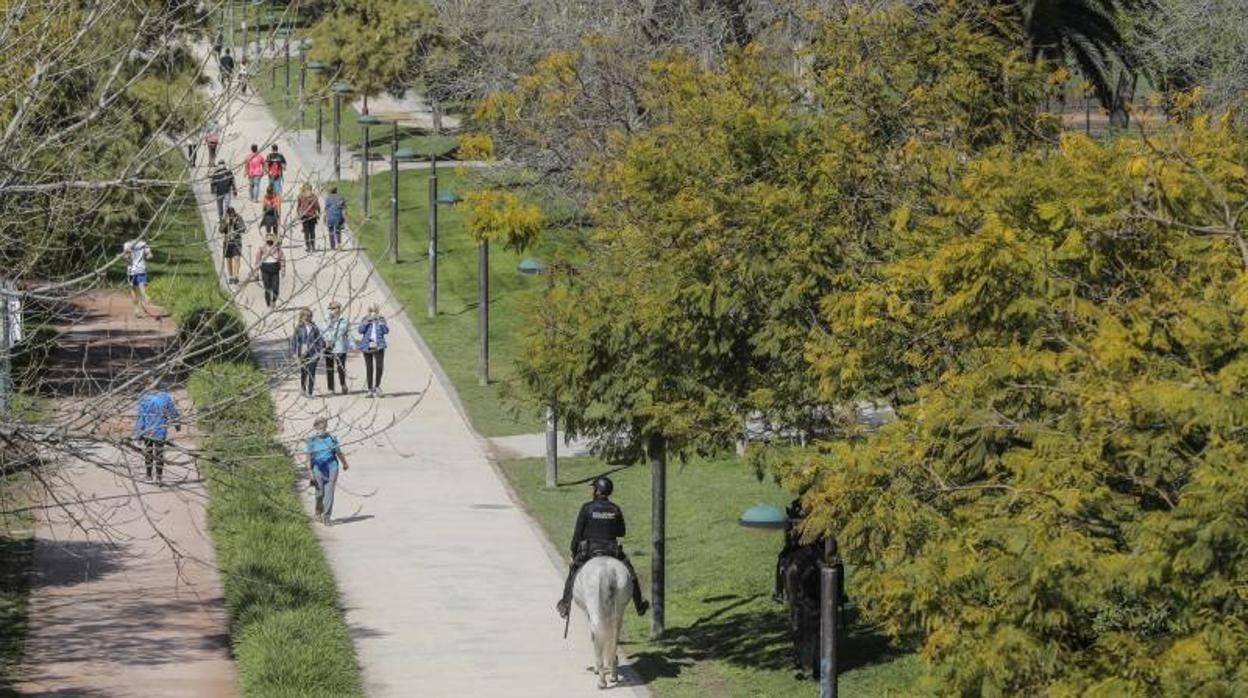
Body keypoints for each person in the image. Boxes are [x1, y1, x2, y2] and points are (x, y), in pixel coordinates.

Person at [555, 476, 649, 619]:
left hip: (589, 550)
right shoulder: (615, 508)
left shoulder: (587, 508)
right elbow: (621, 532)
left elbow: (578, 534)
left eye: (594, 489)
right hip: (612, 550)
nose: (593, 491)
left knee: (573, 572)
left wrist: (574, 552)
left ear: (598, 491)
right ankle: (639, 605)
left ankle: (565, 604)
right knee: (631, 573)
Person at [305, 416, 349, 524]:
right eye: (320, 428)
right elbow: (308, 458)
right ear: (315, 428)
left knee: (329, 492)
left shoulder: (332, 439)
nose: (322, 430)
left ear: (326, 427)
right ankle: (318, 512)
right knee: (320, 493)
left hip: (331, 467)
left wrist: (345, 464)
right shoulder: (311, 441)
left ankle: (327, 517)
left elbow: (339, 453)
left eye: (324, 427)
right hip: (317, 468)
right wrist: (310, 472)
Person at [134, 389, 181, 484]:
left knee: (148, 452)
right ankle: (159, 478)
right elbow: (173, 412)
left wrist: (139, 433)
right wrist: (177, 424)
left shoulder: (144, 398)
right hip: (160, 431)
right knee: (159, 453)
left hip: (148, 431)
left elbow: (141, 417)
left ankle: (148, 475)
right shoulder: (165, 397)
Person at [291, 308, 325, 398]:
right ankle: (303, 388)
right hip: (302, 352)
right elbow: (294, 341)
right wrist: (294, 353)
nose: (308, 318)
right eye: (306, 316)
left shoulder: (314, 327)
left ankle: (310, 392)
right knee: (304, 371)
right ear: (302, 317)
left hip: (314, 352)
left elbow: (320, 339)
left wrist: (320, 351)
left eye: (310, 316)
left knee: (312, 372)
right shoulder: (299, 328)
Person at [357, 305, 388, 397]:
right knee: (369, 368)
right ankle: (370, 389)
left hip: (379, 345)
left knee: (379, 366)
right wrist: (367, 321)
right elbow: (360, 330)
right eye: (371, 311)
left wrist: (380, 323)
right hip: (367, 346)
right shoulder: (365, 319)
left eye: (374, 311)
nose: (373, 313)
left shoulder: (381, 320)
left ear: (377, 312)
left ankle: (377, 386)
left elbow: (386, 331)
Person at [322, 301, 351, 394]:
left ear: (338, 309)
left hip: (340, 346)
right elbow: (322, 331)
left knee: (340, 367)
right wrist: (329, 322)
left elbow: (345, 331)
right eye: (330, 309)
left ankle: (343, 384)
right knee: (329, 367)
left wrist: (351, 344)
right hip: (328, 346)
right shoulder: (326, 320)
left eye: (333, 309)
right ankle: (331, 388)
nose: (331, 311)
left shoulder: (344, 320)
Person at [121, 238, 153, 317]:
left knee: (133, 289)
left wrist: (123, 257)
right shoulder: (143, 244)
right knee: (141, 285)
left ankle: (136, 309)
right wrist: (149, 256)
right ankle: (144, 296)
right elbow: (149, 254)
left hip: (131, 270)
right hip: (141, 268)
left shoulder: (127, 244)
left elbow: (126, 257)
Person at [253, 235, 285, 308]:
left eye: (271, 238)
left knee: (275, 287)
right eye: (268, 238)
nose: (270, 240)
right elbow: (257, 261)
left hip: (275, 270)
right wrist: (256, 273)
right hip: (265, 269)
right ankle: (268, 302)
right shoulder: (261, 249)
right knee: (267, 287)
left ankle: (274, 301)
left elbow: (282, 258)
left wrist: (283, 269)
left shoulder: (278, 249)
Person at [219, 206, 245, 284]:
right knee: (229, 259)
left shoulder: (239, 218)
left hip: (236, 241)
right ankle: (230, 276)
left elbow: (243, 228)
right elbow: (220, 230)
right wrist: (226, 223)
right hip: (227, 242)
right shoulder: (225, 219)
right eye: (229, 214)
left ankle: (236, 276)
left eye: (232, 214)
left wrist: (236, 223)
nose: (231, 216)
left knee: (237, 258)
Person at [296, 183, 321, 252]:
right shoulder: (313, 196)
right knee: (312, 232)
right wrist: (318, 213)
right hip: (313, 216)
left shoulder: (300, 196)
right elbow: (317, 206)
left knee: (306, 232)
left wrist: (298, 214)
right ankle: (313, 246)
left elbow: (298, 206)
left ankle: (308, 247)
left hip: (304, 216)